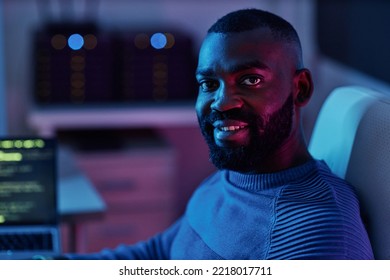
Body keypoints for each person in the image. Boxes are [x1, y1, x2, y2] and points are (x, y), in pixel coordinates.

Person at [64, 8, 374, 260]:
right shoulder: (231, 177)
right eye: (209, 84)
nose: (222, 103)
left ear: (300, 88)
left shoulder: (317, 236)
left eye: (250, 80)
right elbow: (159, 254)